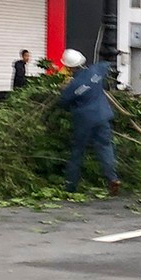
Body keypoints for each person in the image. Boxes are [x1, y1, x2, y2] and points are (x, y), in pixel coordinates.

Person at [58, 49, 121, 196]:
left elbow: (63, 102)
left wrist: (64, 88)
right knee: (105, 147)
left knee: (78, 151)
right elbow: (108, 66)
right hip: (102, 116)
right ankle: (112, 178)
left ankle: (70, 186)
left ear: (69, 67)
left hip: (84, 121)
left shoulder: (73, 86)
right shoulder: (97, 70)